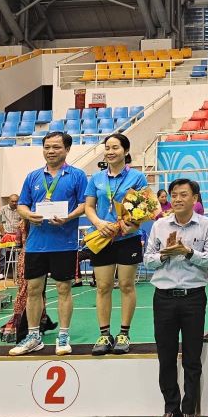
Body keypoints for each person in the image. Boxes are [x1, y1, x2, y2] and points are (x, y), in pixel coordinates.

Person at [144, 179, 208, 417]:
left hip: (193, 297)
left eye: (183, 195)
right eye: (174, 195)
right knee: (165, 357)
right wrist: (165, 254)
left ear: (195, 198)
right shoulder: (159, 225)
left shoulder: (207, 225)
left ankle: (189, 411)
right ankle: (170, 409)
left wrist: (187, 251)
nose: (177, 199)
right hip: (163, 297)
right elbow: (148, 260)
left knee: (192, 357)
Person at [9, 132, 87, 356]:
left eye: (56, 147)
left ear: (67, 150)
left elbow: (84, 204)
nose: (51, 151)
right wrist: (29, 215)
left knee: (64, 288)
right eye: (47, 147)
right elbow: (22, 204)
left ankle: (63, 335)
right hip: (36, 244)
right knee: (34, 290)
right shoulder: (33, 176)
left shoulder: (77, 175)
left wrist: (69, 216)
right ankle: (34, 336)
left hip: (64, 243)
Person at [84, 133, 148, 355]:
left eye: (115, 148)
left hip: (127, 239)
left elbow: (142, 208)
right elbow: (89, 207)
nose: (110, 152)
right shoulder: (96, 179)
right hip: (101, 238)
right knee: (103, 287)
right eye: (107, 148)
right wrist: (99, 223)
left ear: (126, 151)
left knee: (126, 286)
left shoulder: (137, 177)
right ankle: (104, 334)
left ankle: (124, 333)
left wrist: (127, 226)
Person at [0, 194, 20, 281]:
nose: (14, 203)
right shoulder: (3, 209)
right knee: (3, 254)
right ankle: (2, 273)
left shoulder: (21, 209)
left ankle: (19, 272)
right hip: (6, 234)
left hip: (17, 235)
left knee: (20, 254)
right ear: (8, 201)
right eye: (12, 201)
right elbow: (0, 222)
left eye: (16, 201)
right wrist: (3, 233)